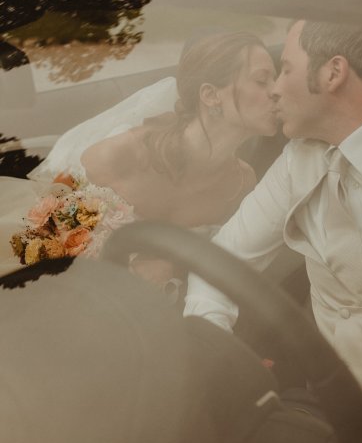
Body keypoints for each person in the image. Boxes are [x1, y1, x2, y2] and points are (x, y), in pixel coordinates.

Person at [184, 19, 362, 405]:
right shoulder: (299, 158)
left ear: (333, 73)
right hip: (332, 404)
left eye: (284, 70)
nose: (275, 91)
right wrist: (211, 353)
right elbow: (220, 260)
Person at [1, 31, 278, 288]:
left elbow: (217, 270)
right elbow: (37, 246)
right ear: (210, 95)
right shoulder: (120, 155)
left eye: (276, 80)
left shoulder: (241, 184)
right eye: (262, 81)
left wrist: (173, 267)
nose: (277, 92)